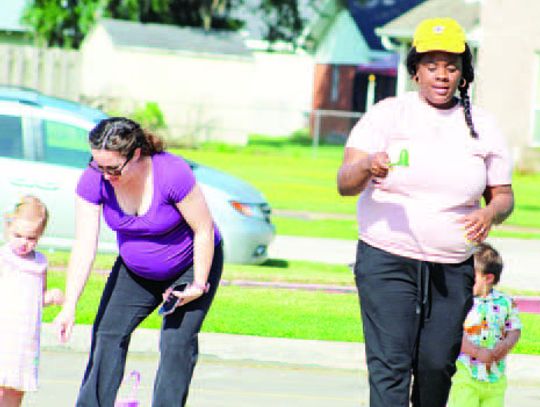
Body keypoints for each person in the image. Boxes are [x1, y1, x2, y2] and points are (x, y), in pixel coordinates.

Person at [337, 17, 515, 407]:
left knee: (436, 366)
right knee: (391, 365)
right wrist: (368, 166)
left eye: (451, 67)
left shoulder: (482, 125)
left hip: (451, 268)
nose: (441, 75)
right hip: (387, 260)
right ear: (415, 69)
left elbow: (503, 196)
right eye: (431, 65)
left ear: (463, 74)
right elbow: (344, 182)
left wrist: (490, 215)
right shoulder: (388, 114)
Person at [53, 117, 223, 407]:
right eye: (98, 166)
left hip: (189, 264)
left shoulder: (171, 172)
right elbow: (84, 245)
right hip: (135, 270)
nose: (106, 175)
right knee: (107, 334)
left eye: (113, 168)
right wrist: (70, 306)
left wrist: (198, 283)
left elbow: (203, 229)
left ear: (136, 154)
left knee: (175, 343)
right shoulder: (94, 179)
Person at [0, 196, 64, 407]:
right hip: (4, 332)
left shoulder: (39, 263)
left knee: (16, 388)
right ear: (8, 228)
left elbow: (37, 296)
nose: (23, 243)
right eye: (17, 235)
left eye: (31, 238)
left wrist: (50, 297)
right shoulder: (4, 258)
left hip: (24, 337)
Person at [448, 242, 521, 407]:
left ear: (488, 278)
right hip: (465, 373)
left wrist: (507, 344)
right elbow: (453, 333)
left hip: (495, 376)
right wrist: (477, 352)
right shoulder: (461, 301)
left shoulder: (505, 302)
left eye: (470, 275)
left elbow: (515, 328)